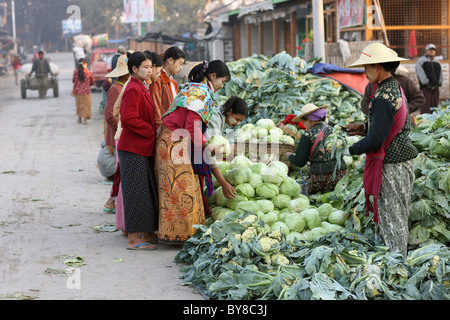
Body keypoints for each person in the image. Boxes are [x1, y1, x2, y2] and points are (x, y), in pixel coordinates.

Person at [344, 43, 418, 257]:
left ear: (377, 67)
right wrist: (363, 127)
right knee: (396, 216)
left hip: (394, 166)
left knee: (392, 220)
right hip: (403, 162)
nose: (364, 73)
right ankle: (394, 262)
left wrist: (349, 150)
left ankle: (396, 267)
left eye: (366, 67)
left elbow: (377, 139)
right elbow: (391, 123)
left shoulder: (383, 96)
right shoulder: (395, 87)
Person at [155, 60, 235, 244]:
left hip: (175, 141)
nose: (221, 86)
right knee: (180, 189)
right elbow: (193, 126)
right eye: (222, 82)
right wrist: (208, 147)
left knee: (185, 186)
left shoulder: (195, 89)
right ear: (213, 76)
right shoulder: (201, 92)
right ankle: (177, 235)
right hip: (173, 142)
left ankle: (183, 234)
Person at [117, 51, 159, 250]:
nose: (149, 71)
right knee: (136, 194)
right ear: (134, 69)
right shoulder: (133, 88)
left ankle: (147, 233)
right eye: (146, 67)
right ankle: (133, 238)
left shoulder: (142, 86)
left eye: (151, 67)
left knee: (146, 192)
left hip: (141, 148)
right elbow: (128, 119)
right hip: (133, 148)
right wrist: (150, 131)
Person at [286, 103, 347, 194]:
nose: (304, 125)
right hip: (340, 176)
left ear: (309, 120)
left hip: (320, 179)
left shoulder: (308, 135)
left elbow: (300, 162)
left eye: (304, 121)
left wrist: (289, 156)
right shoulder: (335, 130)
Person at [103, 54, 131, 214]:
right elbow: (109, 115)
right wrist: (122, 128)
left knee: (121, 171)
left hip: (120, 135)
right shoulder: (116, 89)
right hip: (118, 137)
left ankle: (113, 201)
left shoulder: (123, 87)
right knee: (121, 171)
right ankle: (112, 201)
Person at [205, 95, 249, 159]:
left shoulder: (223, 120)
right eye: (237, 119)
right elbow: (214, 146)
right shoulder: (214, 118)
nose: (238, 123)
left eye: (240, 121)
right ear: (230, 111)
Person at [150, 46, 186, 123]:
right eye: (180, 64)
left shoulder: (173, 82)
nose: (181, 68)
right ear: (170, 60)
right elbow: (156, 109)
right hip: (162, 127)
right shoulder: (158, 79)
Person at [416, 43, 443, 114]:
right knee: (426, 106)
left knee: (435, 106)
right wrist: (426, 82)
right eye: (430, 50)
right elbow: (420, 72)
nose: (432, 51)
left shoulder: (437, 61)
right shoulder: (421, 61)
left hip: (436, 88)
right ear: (426, 51)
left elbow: (440, 73)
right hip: (426, 88)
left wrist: (439, 83)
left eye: (433, 50)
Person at [72, 58, 95, 124]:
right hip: (86, 92)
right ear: (85, 64)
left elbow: (73, 80)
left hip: (77, 92)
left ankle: (79, 119)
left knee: (79, 105)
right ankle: (85, 120)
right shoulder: (88, 72)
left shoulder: (75, 72)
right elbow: (92, 81)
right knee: (85, 106)